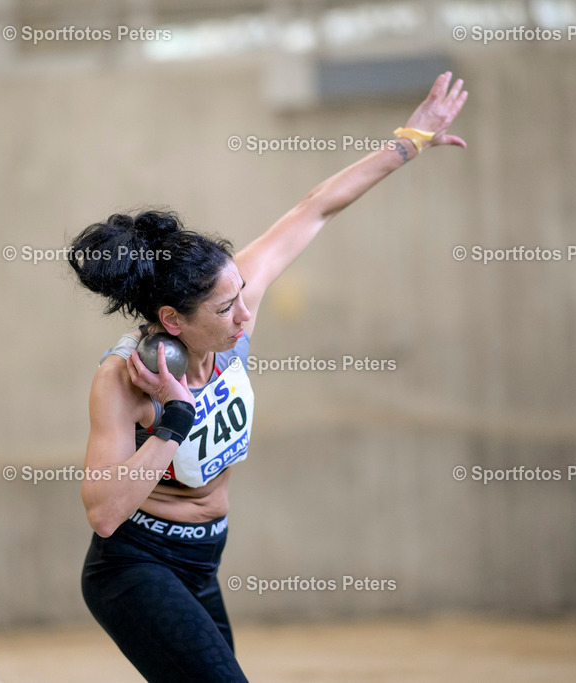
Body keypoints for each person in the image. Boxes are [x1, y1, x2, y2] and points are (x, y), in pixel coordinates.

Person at [71, 72, 468, 682]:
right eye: (227, 308)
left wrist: (410, 140)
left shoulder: (229, 308)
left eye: (242, 294)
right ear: (172, 320)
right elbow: (103, 512)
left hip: (203, 559)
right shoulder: (124, 379)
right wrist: (172, 421)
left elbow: (315, 208)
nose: (246, 314)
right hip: (134, 565)